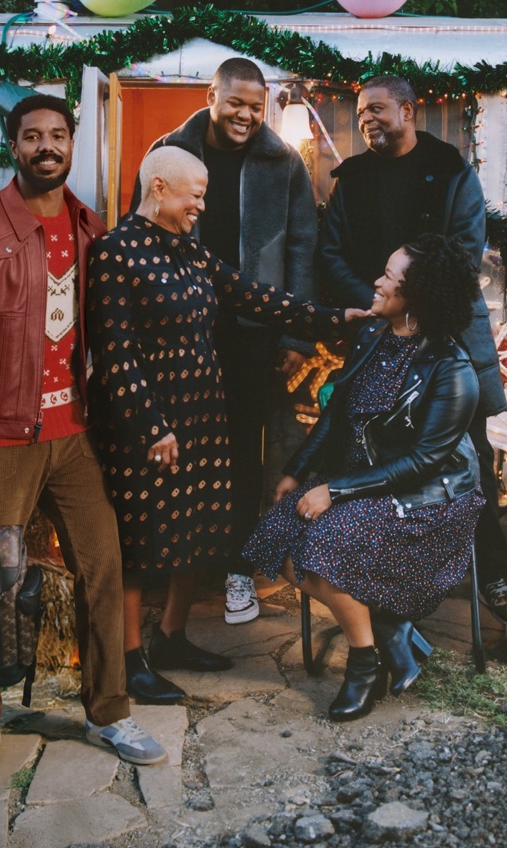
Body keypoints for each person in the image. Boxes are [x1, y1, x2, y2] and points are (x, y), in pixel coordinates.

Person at [0, 94, 165, 784]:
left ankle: (109, 710)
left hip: (74, 434)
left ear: (70, 143)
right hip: (0, 441)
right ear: (12, 146)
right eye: (32, 136)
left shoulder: (92, 228)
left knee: (102, 567)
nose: (46, 147)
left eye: (57, 135)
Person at [88, 146, 368, 705]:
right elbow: (114, 351)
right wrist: (150, 427)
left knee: (194, 532)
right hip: (151, 426)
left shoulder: (190, 250)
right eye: (195, 194)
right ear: (159, 187)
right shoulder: (114, 252)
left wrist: (334, 318)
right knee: (140, 544)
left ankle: (171, 638)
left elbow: (254, 296)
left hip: (202, 415)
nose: (202, 205)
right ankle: (128, 661)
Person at [241, 234, 485, 721]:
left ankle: (364, 664)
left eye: (389, 277)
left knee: (322, 548)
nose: (376, 281)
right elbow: (337, 418)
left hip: (426, 498)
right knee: (278, 536)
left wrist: (334, 490)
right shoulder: (373, 335)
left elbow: (423, 463)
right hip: (361, 480)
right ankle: (389, 626)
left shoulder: (452, 369)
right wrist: (297, 471)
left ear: (417, 293)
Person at [317, 74, 507, 621]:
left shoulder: (451, 171)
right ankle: (379, 577)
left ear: (408, 111)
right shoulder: (351, 179)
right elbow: (330, 252)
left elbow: (462, 252)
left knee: (469, 456)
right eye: (360, 113)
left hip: (448, 334)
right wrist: (377, 303)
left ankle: (491, 573)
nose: (366, 120)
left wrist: (410, 303)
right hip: (374, 335)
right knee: (367, 449)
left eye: (377, 109)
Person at [130, 57, 319, 626]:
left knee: (242, 452)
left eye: (255, 107)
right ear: (212, 94)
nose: (244, 115)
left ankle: (237, 566)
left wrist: (296, 331)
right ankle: (175, 566)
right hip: (179, 327)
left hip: (252, 332)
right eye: (235, 102)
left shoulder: (284, 162)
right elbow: (138, 224)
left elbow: (303, 246)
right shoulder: (170, 149)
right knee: (176, 445)